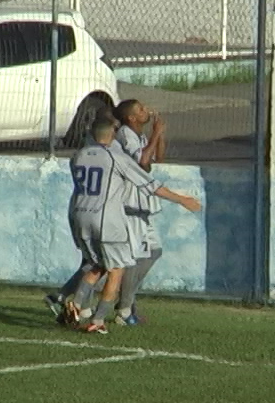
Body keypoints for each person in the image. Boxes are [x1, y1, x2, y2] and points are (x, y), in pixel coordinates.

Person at [64, 117, 201, 334]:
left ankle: (76, 304)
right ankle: (98, 320)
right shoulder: (116, 157)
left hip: (79, 215)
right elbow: (150, 185)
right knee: (116, 269)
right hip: (106, 220)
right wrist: (182, 199)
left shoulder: (78, 156)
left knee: (96, 264)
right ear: (111, 135)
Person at [43, 105, 120, 320]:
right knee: (100, 264)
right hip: (98, 213)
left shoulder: (83, 153)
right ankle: (75, 304)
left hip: (78, 209)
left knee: (92, 262)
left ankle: (69, 302)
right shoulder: (108, 153)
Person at [112, 98, 167, 325]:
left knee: (154, 251)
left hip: (142, 203)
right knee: (134, 257)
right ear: (131, 118)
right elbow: (142, 162)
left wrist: (159, 134)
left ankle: (126, 299)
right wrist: (155, 134)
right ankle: (125, 308)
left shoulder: (140, 136)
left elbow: (158, 158)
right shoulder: (125, 134)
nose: (146, 111)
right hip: (130, 205)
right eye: (141, 110)